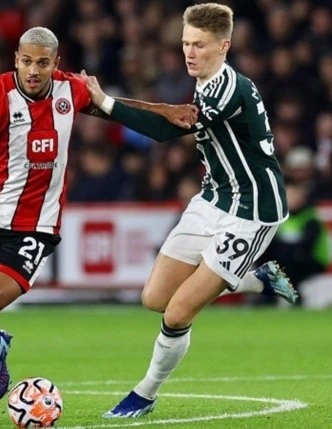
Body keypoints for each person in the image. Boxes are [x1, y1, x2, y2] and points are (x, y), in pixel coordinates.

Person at [0, 26, 196, 425]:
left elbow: (113, 106)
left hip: (36, 228)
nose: (33, 70)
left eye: (42, 63)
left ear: (55, 63)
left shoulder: (69, 90)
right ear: (16, 59)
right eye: (26, 61)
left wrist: (165, 110)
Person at [78, 3, 298, 418]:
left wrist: (104, 103)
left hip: (252, 211)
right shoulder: (204, 82)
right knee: (154, 298)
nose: (189, 53)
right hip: (212, 199)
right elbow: (172, 115)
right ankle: (257, 280)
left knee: (178, 312)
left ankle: (145, 393)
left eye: (199, 45)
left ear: (224, 46)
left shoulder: (228, 90)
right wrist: (103, 104)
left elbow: (166, 129)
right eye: (185, 43)